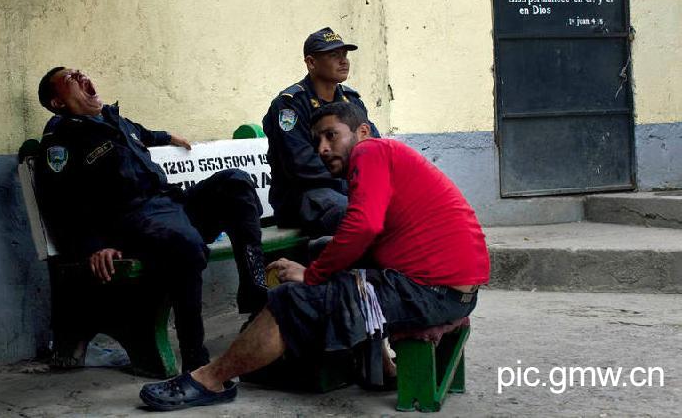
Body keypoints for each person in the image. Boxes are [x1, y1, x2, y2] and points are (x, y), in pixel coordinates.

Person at [139, 101, 490, 411]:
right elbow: (368, 236)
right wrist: (322, 268)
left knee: (291, 299)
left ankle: (209, 379)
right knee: (329, 256)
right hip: (450, 292)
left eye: (331, 136)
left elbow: (363, 226)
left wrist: (312, 275)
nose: (322, 149)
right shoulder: (389, 157)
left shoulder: (370, 152)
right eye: (317, 141)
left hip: (429, 292)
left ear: (362, 131)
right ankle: (381, 366)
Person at [34, 67, 267, 372]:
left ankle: (255, 294)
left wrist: (168, 136)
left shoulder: (113, 119)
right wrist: (95, 246)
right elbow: (60, 204)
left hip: (169, 206)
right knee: (187, 245)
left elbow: (141, 134)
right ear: (57, 103)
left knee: (235, 183)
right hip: (132, 223)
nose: (80, 76)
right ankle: (196, 361)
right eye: (69, 80)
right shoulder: (62, 140)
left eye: (80, 73)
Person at [262, 26, 380, 236]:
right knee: (352, 213)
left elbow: (374, 148)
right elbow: (300, 163)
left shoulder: (351, 101)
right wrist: (350, 182)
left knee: (404, 204)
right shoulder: (290, 105)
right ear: (311, 62)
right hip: (305, 195)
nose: (343, 61)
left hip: (347, 188)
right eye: (334, 55)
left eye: (344, 55)